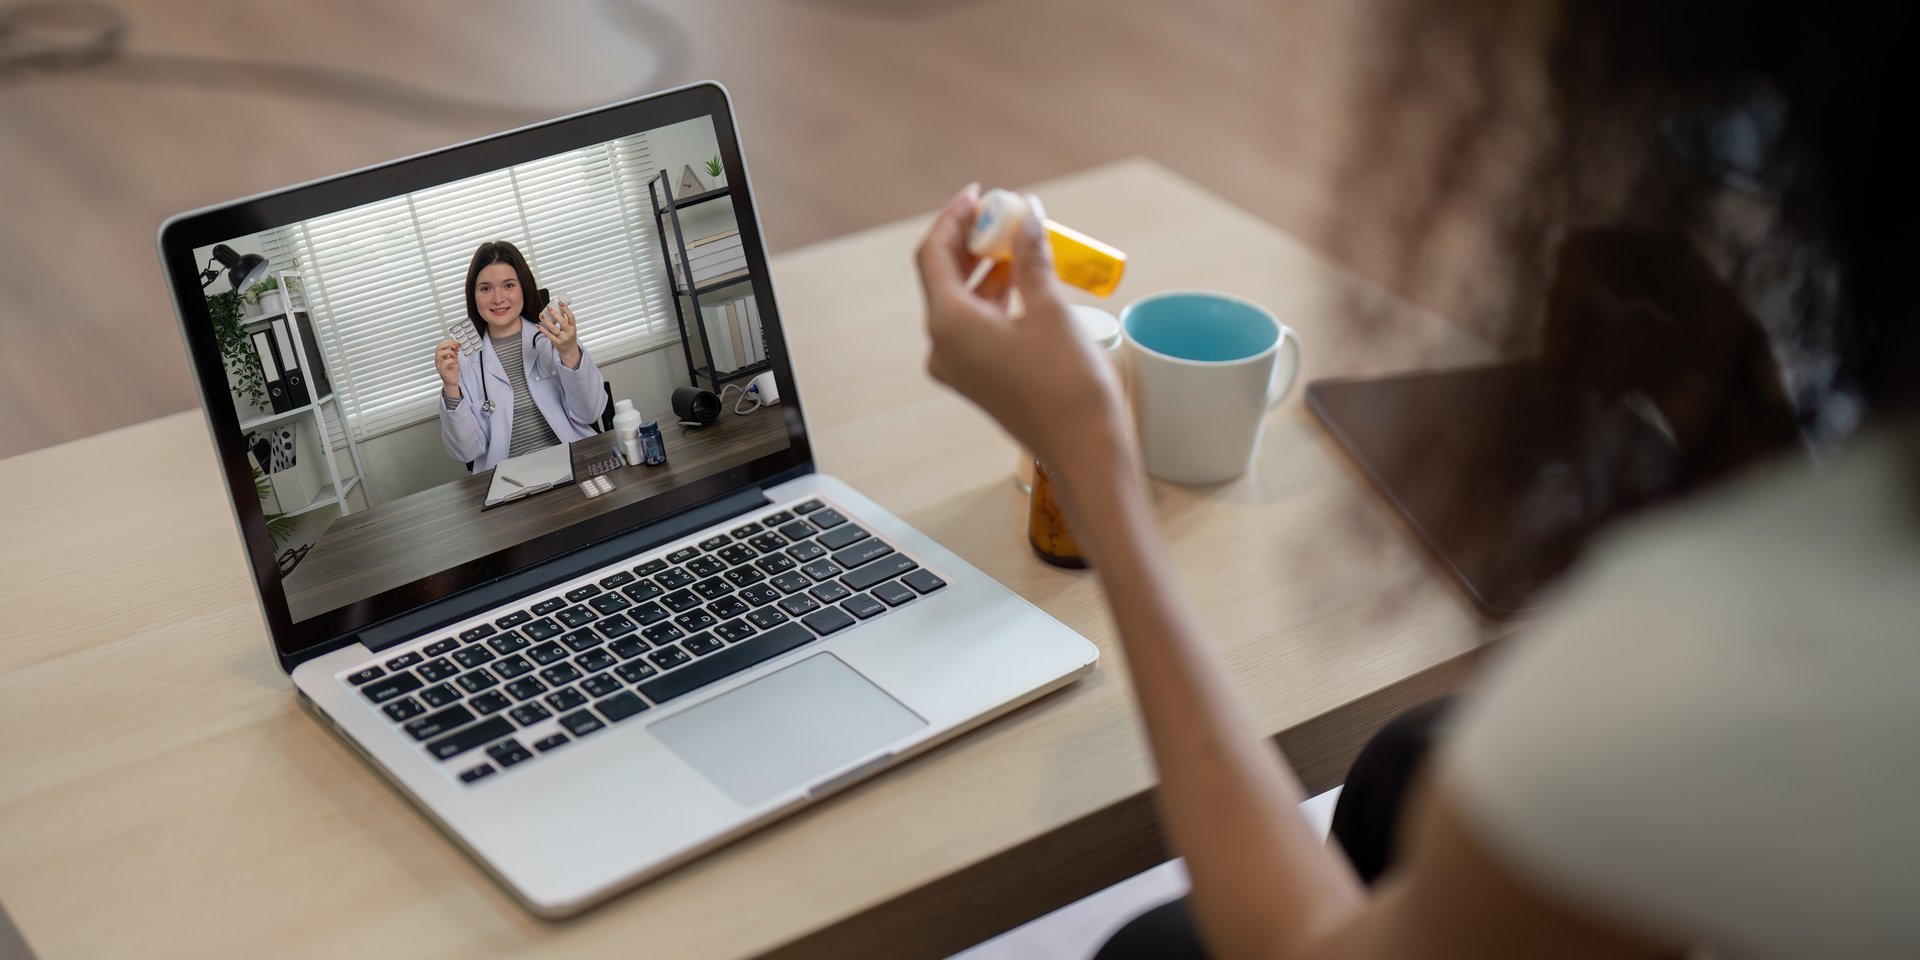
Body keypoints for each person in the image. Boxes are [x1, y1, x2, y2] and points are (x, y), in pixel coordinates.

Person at [912, 1, 1917, 955]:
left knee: (1157, 946)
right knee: (1405, 761)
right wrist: (1753, 433)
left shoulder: (1708, 680)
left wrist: (1093, 465)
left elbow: (1301, 950)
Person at [436, 240, 606, 473]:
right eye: (485, 288)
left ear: (524, 288)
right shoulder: (463, 360)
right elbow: (465, 452)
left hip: (572, 461)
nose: (497, 298)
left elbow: (590, 413)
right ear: (473, 296)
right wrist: (451, 388)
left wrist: (569, 353)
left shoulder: (555, 338)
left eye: (508, 285)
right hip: (505, 478)